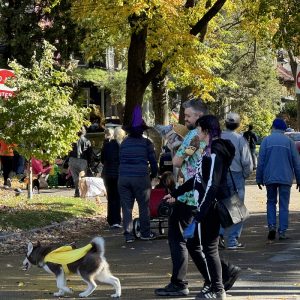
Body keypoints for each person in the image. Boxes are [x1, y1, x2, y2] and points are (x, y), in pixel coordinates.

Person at [155, 100, 241, 298]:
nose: (185, 120)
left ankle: (202, 282)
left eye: (188, 116)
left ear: (200, 119)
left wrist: (171, 143)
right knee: (196, 242)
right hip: (193, 193)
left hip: (194, 197)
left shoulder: (195, 137)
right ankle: (217, 279)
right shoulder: (207, 140)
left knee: (185, 240)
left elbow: (177, 161)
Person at [118, 105, 158, 243]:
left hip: (123, 178)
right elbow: (153, 161)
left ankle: (128, 235)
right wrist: (154, 174)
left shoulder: (123, 143)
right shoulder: (147, 143)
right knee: (143, 206)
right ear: (142, 131)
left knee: (126, 207)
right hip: (141, 177)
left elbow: (119, 159)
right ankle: (145, 233)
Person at [256, 118, 300, 241]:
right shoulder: (289, 142)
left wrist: (259, 178)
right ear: (284, 129)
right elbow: (296, 162)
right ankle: (282, 232)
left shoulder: (266, 141)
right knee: (284, 204)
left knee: (271, 202)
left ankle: (271, 227)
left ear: (273, 127)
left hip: (270, 177)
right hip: (285, 177)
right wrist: (299, 179)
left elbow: (261, 162)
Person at [220, 112, 253, 249]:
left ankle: (219, 236)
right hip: (236, 175)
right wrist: (246, 174)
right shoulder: (240, 139)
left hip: (220, 175)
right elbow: (247, 162)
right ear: (238, 125)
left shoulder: (217, 137)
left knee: (221, 206)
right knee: (238, 208)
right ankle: (233, 240)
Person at [101, 127, 126, 229]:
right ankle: (116, 220)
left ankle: (111, 219)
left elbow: (102, 159)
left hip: (107, 174)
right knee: (118, 197)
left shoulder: (106, 146)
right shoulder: (122, 147)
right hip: (118, 174)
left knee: (110, 197)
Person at [68, 127, 93, 197]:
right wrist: (89, 163)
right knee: (82, 177)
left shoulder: (71, 140)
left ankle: (76, 190)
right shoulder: (87, 141)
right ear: (84, 132)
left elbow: (68, 151)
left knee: (75, 177)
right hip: (83, 161)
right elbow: (89, 153)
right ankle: (83, 193)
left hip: (72, 159)